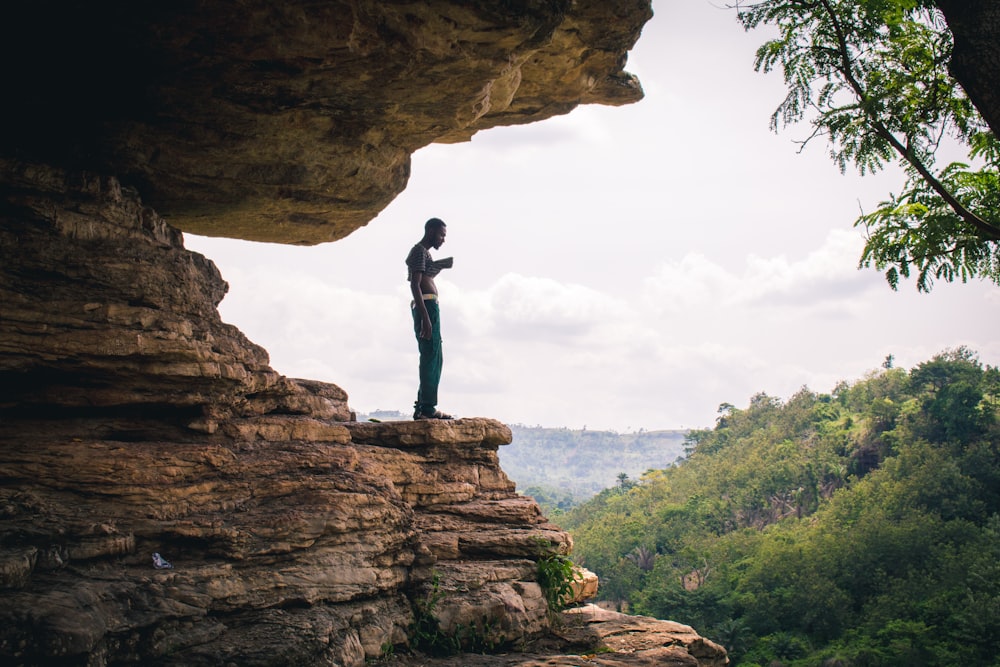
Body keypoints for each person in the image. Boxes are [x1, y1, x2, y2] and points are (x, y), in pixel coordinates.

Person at [406, 217, 454, 420]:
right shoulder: (418, 251)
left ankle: (423, 405)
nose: (443, 239)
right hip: (426, 307)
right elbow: (415, 284)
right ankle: (426, 409)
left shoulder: (424, 254)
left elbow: (425, 277)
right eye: (441, 234)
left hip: (430, 306)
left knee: (435, 357)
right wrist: (425, 317)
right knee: (429, 356)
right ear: (431, 230)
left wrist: (438, 267)